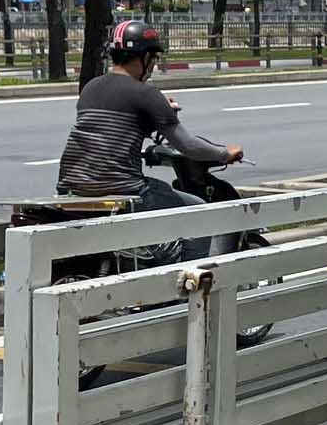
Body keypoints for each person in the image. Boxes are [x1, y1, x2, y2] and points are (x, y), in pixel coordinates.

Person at [55, 19, 243, 258]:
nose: (153, 65)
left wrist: (155, 113)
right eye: (153, 58)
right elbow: (188, 146)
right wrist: (225, 153)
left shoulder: (90, 88)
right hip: (122, 189)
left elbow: (112, 130)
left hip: (72, 188)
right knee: (198, 212)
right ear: (142, 57)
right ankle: (186, 288)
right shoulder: (146, 93)